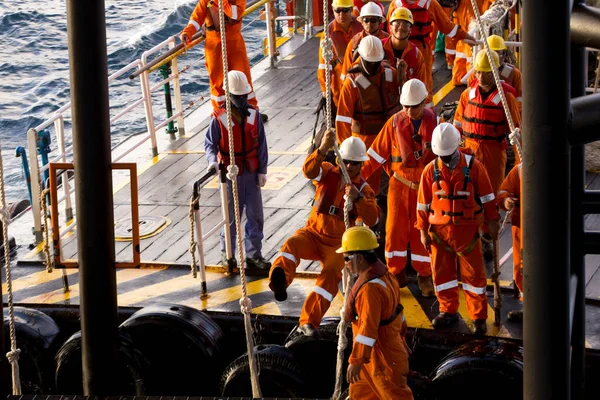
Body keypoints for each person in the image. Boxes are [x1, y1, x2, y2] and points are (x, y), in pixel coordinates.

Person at [268, 131, 381, 337]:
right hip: (312, 233)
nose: (348, 167)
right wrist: (321, 149)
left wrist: (358, 200)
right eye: (345, 162)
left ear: (361, 165)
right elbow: (308, 171)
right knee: (291, 244)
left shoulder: (364, 190)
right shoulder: (327, 171)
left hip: (337, 245)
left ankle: (309, 321)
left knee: (330, 275)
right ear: (339, 159)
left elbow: (373, 219)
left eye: (354, 164)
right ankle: (280, 281)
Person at [416, 123, 500, 335]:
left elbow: (488, 198)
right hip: (439, 234)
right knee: (442, 275)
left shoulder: (475, 167)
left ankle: (479, 316)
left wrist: (492, 223)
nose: (444, 158)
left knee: (474, 277)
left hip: (467, 233)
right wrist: (423, 232)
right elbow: (422, 204)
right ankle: (448, 311)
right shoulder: (430, 171)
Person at [361, 79, 436, 296]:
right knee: (394, 233)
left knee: (422, 232)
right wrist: (356, 179)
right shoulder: (393, 124)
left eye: (414, 106)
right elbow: (374, 156)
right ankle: (395, 274)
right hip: (399, 186)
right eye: (406, 106)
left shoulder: (436, 123)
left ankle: (424, 275)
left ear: (424, 102)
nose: (409, 110)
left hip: (424, 188)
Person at [204, 70, 271, 270]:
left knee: (255, 216)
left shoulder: (254, 116)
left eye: (244, 96)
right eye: (238, 96)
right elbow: (210, 144)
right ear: (229, 96)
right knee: (231, 218)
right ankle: (228, 255)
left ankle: (253, 256)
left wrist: (262, 171)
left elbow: (262, 146)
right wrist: (212, 162)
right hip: (230, 175)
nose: (242, 100)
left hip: (250, 174)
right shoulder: (218, 119)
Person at [338, 226, 413, 400]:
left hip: (382, 358)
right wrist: (402, 338)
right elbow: (399, 314)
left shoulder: (369, 290)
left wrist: (356, 360)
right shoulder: (387, 276)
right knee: (360, 395)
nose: (345, 263)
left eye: (347, 258)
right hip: (375, 356)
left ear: (361, 257)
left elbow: (367, 329)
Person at [180, 0, 267, 121]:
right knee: (217, 84)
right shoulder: (206, 1)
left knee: (243, 79)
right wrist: (188, 32)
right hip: (214, 47)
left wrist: (222, 2)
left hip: (235, 45)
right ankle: (220, 117)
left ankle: (252, 114)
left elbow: (235, 14)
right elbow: (196, 17)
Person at [336, 35, 401, 193]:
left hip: (389, 136)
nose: (373, 66)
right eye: (369, 62)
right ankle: (362, 213)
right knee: (364, 181)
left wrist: (404, 76)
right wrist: (347, 153)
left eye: (376, 62)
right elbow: (343, 119)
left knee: (400, 174)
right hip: (364, 141)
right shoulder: (352, 83)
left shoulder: (391, 74)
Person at [453, 49, 521, 194]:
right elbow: (457, 125)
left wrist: (519, 164)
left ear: (496, 71)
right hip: (469, 153)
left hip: (494, 155)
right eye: (478, 72)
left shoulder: (506, 98)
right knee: (468, 196)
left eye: (486, 72)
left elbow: (516, 131)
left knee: (493, 196)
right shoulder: (467, 95)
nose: (482, 76)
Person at [386, 0, 477, 100]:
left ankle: (424, 113)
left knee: (421, 89)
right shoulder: (427, 4)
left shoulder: (427, 4)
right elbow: (447, 26)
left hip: (416, 53)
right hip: (407, 52)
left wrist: (466, 37)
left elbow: (447, 26)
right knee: (400, 86)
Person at [318, 0, 363, 114]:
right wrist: (325, 90)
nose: (341, 14)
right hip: (339, 84)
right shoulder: (327, 34)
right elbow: (323, 65)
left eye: (345, 10)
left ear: (351, 10)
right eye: (337, 11)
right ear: (333, 10)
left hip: (361, 81)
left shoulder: (361, 27)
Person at [497, 163, 523, 322]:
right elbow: (503, 190)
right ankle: (529, 304)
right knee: (521, 266)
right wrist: (506, 201)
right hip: (522, 227)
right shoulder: (519, 170)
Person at [341, 2, 390, 77]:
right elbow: (346, 70)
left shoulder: (388, 41)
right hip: (360, 84)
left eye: (373, 20)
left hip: (383, 83)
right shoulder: (354, 42)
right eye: (366, 20)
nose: (369, 24)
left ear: (380, 21)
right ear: (362, 22)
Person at [381, 7, 426, 88]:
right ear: (390, 27)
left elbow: (421, 86)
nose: (401, 27)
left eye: (405, 24)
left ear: (410, 30)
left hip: (407, 98)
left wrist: (404, 76)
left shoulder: (416, 54)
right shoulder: (379, 47)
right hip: (382, 98)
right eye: (397, 23)